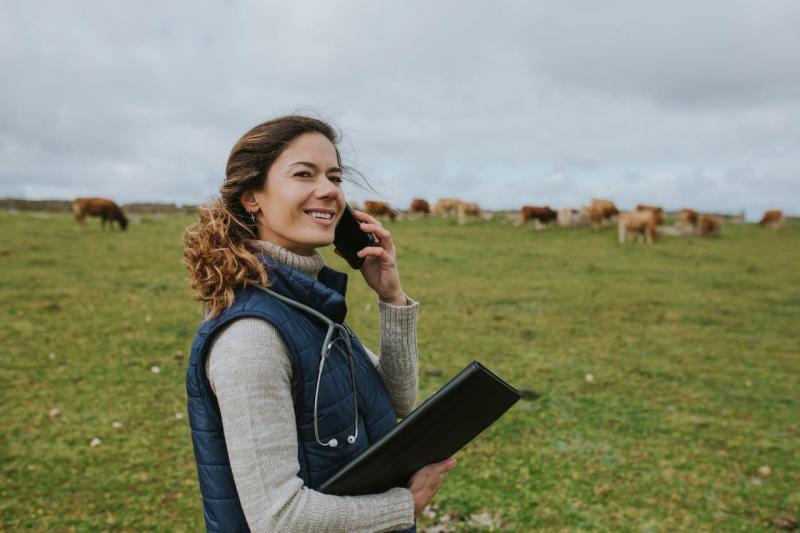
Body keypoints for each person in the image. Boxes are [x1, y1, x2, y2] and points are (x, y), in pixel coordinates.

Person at [182, 115, 456, 532]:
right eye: (303, 174)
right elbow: (278, 519)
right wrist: (403, 507)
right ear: (251, 196)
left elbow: (396, 401)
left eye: (334, 176)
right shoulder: (252, 337)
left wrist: (392, 298)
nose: (328, 190)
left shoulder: (307, 303)